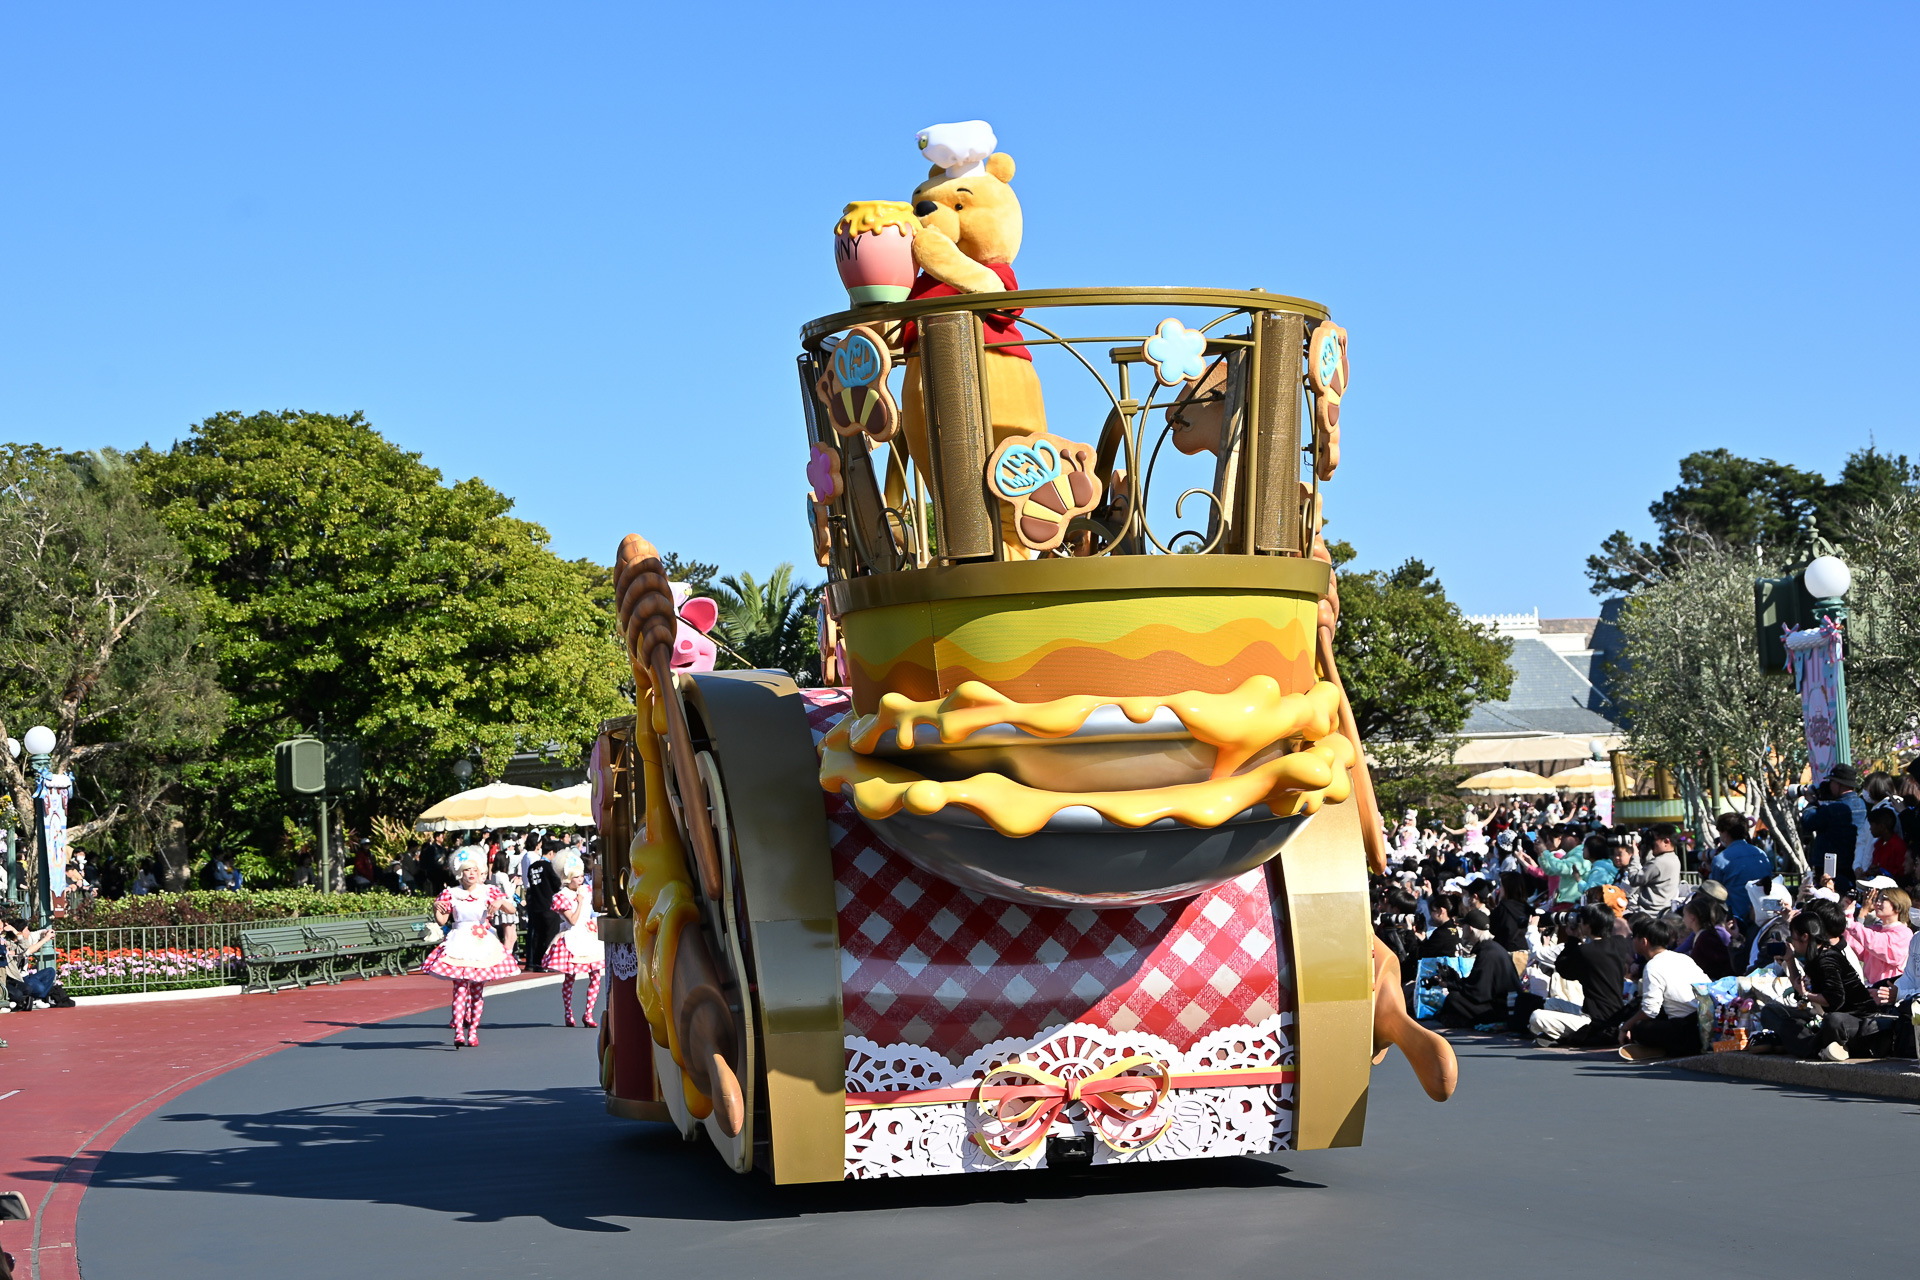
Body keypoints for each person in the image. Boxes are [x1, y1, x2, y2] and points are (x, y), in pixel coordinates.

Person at [422, 847, 521, 1047]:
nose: (472, 873)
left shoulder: (488, 890)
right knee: (459, 988)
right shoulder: (450, 893)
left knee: (477, 990)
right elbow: (442, 921)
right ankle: (459, 1031)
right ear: (460, 872)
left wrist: (501, 901)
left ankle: (473, 1030)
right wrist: (436, 908)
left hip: (481, 941)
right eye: (468, 870)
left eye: (475, 870)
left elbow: (512, 909)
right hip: (459, 940)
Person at [1529, 903, 1635, 1046]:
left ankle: (1567, 1036)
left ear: (1588, 926)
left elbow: (1563, 969)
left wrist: (1572, 939)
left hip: (1595, 1021)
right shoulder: (1619, 943)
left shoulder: (1586, 952)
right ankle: (1562, 1035)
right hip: (1613, 1015)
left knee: (1537, 1016)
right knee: (1551, 1003)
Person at [1617, 915, 1711, 1061]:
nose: (1632, 941)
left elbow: (1650, 1010)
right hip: (1704, 1023)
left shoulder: (1653, 966)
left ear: (1644, 941)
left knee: (1638, 1027)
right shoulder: (1683, 958)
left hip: (1685, 1030)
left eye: (1634, 937)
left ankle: (1664, 1048)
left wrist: (1626, 1027)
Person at [543, 851, 606, 1027]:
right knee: (570, 976)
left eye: (581, 876)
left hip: (589, 934)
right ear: (568, 878)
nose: (580, 879)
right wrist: (579, 902)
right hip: (572, 936)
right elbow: (572, 920)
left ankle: (588, 1013)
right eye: (576, 877)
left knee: (595, 975)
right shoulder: (561, 896)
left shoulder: (587, 889)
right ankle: (568, 1012)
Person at [1435, 909, 1520, 1028]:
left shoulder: (1487, 952)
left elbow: (1478, 993)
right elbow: (1477, 984)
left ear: (1470, 929)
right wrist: (1455, 980)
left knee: (1454, 998)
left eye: (1463, 926)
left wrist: (1452, 985)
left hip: (1501, 1009)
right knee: (1455, 998)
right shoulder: (1491, 948)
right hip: (1502, 1004)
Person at [1802, 763, 1872, 891]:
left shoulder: (1833, 809)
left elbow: (1808, 822)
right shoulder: (1862, 804)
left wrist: (1812, 803)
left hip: (1831, 868)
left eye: (1831, 782)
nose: (1829, 786)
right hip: (1852, 863)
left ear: (1838, 784)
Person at [1844, 883, 1912, 988]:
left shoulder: (1904, 934)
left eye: (1883, 899)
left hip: (1888, 991)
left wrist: (1852, 925)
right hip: (1870, 988)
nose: (1877, 903)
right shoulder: (1876, 929)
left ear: (1898, 905)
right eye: (1877, 899)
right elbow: (1855, 946)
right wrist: (1848, 912)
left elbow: (1879, 944)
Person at [1707, 814, 1772, 922]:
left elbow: (1715, 895)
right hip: (1763, 916)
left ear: (1725, 833)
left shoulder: (1720, 860)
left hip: (1736, 920)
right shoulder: (1761, 854)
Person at [1675, 893, 1735, 981]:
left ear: (1692, 918)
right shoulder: (1701, 935)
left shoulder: (1706, 938)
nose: (1683, 919)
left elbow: (1722, 962)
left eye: (1684, 915)